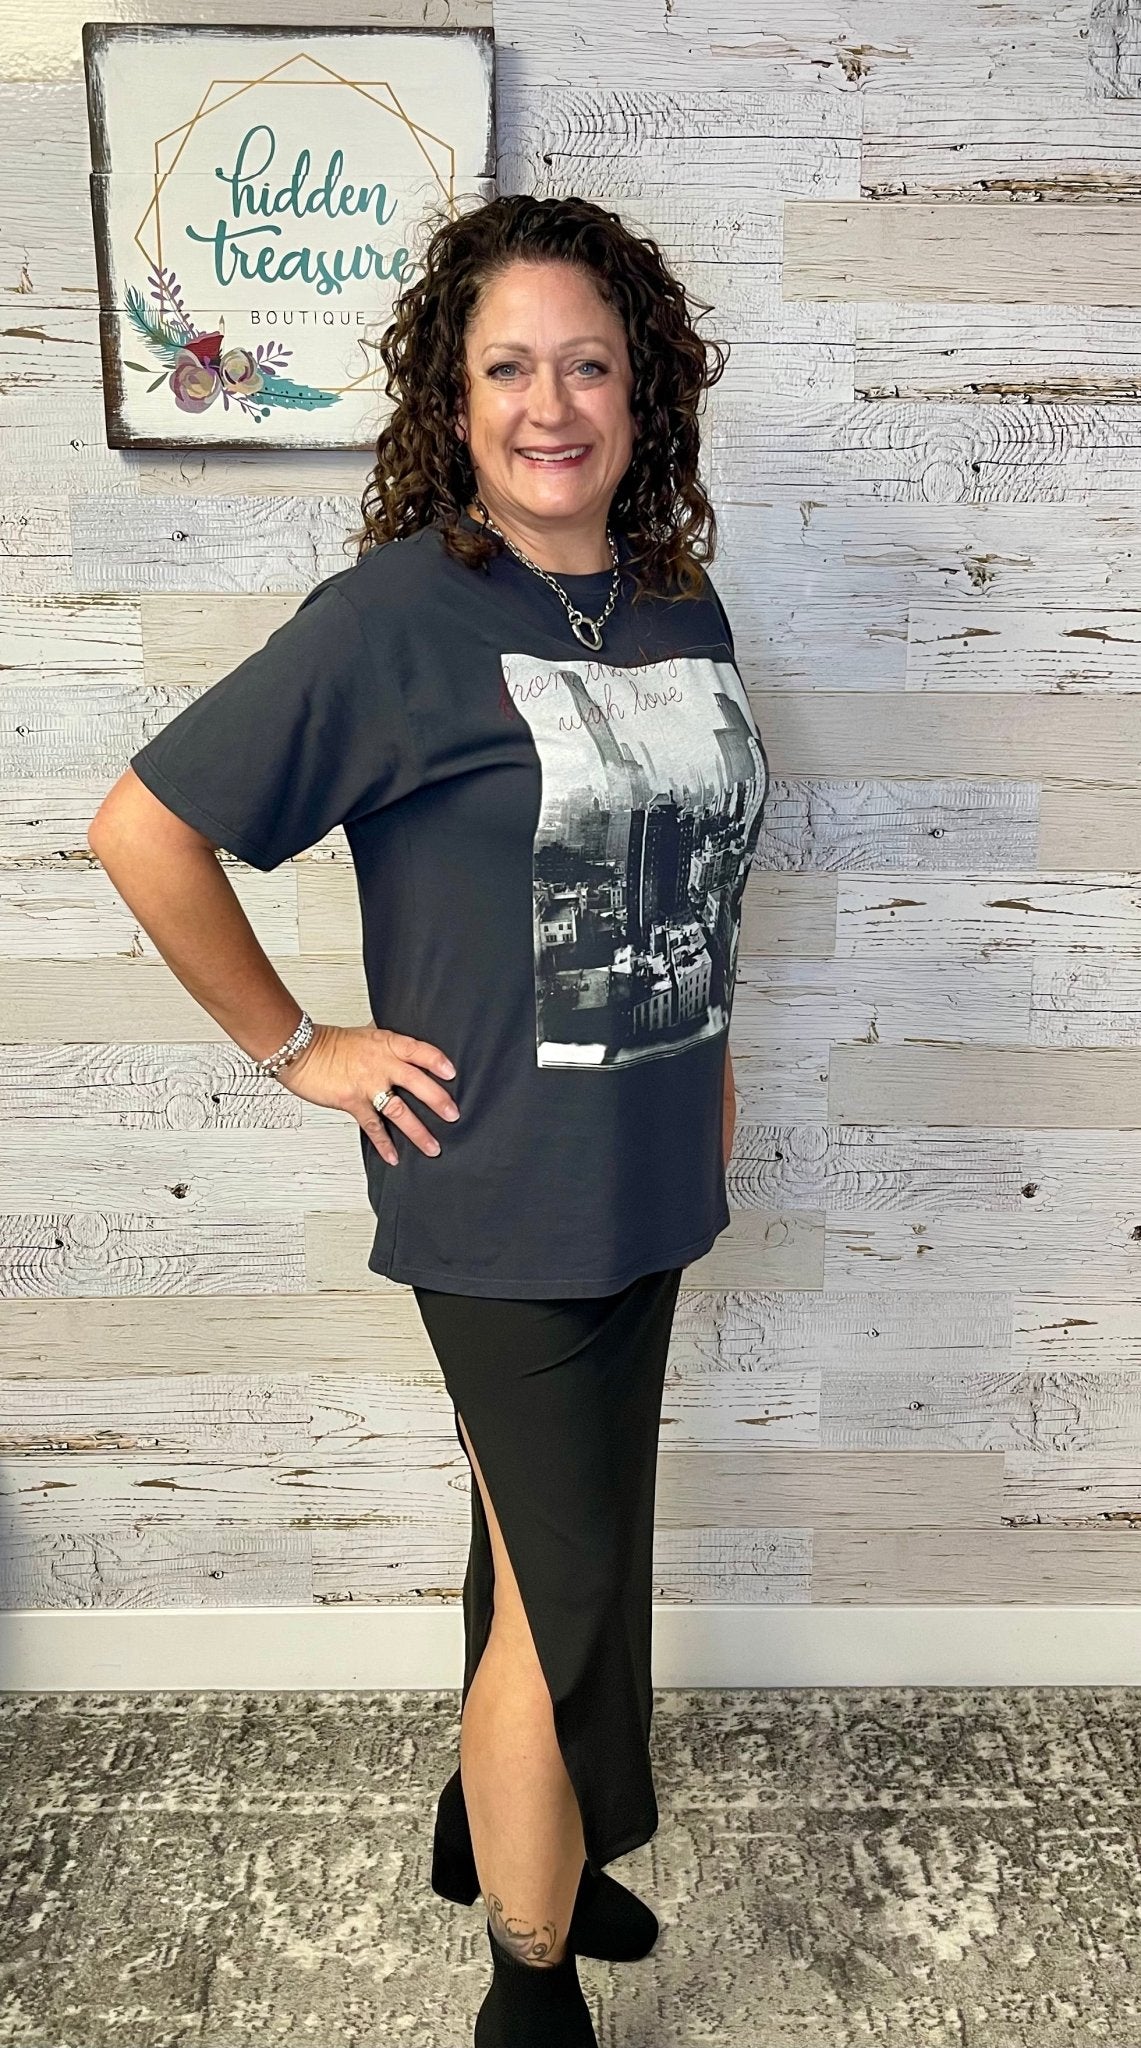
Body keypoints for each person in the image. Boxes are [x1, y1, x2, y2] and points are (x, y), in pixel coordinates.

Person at [88, 193, 770, 2047]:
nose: (551, 405)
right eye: (507, 368)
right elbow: (143, 830)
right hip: (501, 1195)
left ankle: (508, 1836)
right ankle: (527, 1991)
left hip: (649, 1167)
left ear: (642, 392)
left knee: (542, 1546)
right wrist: (299, 1046)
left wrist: (707, 1057)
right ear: (451, 400)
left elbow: (691, 861)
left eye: (588, 365)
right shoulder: (397, 614)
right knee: (566, 1596)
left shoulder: (674, 603)